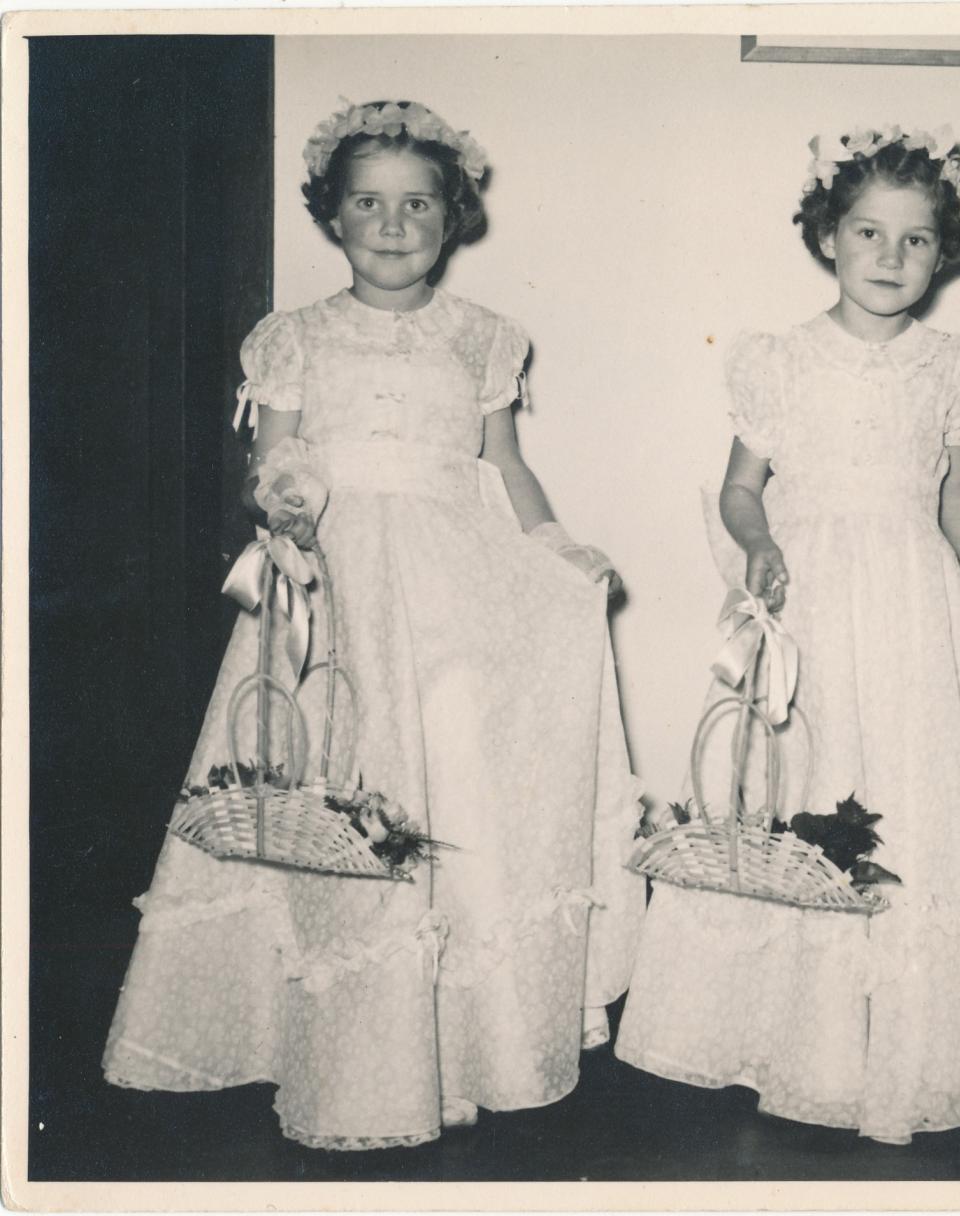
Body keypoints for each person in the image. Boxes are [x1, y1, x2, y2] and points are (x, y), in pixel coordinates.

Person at [103, 99, 644, 1150]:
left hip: (457, 573)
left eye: (417, 205)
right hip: (336, 571)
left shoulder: (485, 337)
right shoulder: (294, 337)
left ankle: (462, 1035)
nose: (392, 225)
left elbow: (506, 466)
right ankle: (334, 1049)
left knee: (454, 772)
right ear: (330, 217)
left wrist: (555, 547)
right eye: (367, 203)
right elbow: (277, 457)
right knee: (336, 776)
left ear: (453, 218)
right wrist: (289, 503)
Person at [614, 125, 960, 1144]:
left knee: (913, 789)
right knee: (803, 782)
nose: (890, 257)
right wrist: (760, 542)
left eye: (915, 239)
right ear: (826, 237)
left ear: (945, 252)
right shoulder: (779, 362)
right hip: (811, 594)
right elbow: (738, 488)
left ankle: (907, 1043)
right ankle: (780, 1035)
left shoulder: (954, 367)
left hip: (914, 604)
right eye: (868, 232)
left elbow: (958, 500)